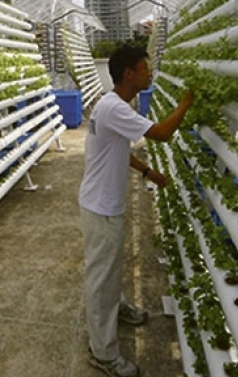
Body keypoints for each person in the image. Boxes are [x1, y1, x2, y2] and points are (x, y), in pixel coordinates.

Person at [78, 45, 194, 377]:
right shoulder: (115, 107)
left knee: (110, 266)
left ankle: (117, 306)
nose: (150, 73)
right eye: (145, 68)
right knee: (100, 278)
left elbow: (118, 149)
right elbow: (161, 134)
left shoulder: (113, 106)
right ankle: (102, 352)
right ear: (128, 73)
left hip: (101, 202)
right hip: (100, 207)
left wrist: (146, 172)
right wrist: (186, 102)